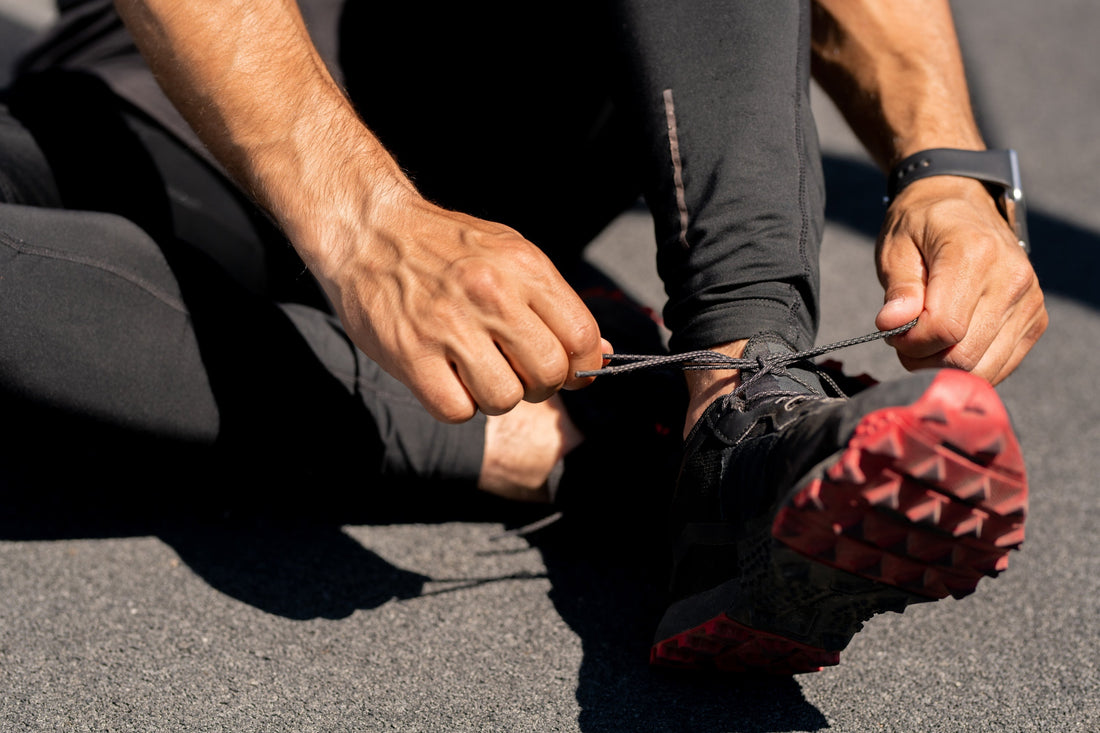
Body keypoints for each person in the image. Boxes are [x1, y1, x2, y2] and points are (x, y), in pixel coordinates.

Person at [0, 0, 1046, 673]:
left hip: (496, 104)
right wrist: (365, 224)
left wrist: (945, 169)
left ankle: (737, 403)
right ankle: (582, 440)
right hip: (164, 118)